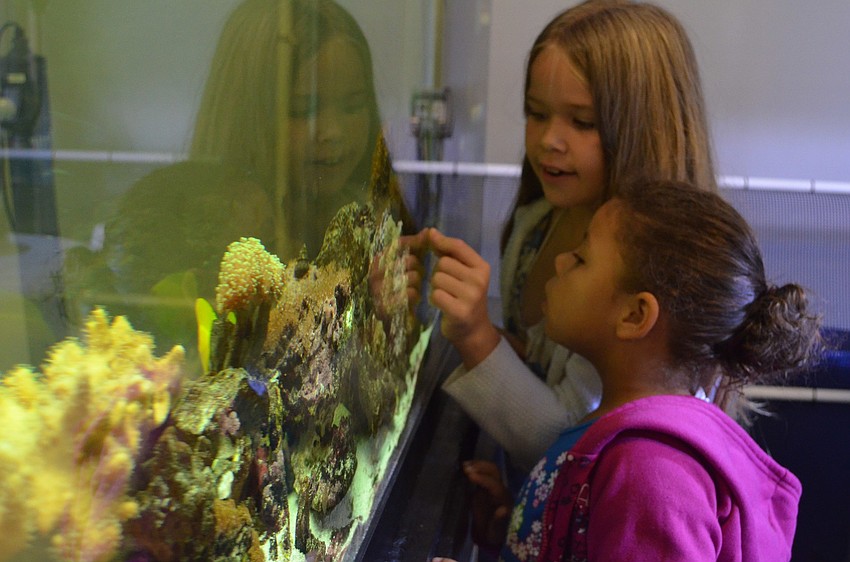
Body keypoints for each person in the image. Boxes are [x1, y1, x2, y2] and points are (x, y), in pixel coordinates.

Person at [435, 179, 822, 562]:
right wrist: (521, 531)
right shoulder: (621, 431)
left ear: (635, 316)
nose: (560, 261)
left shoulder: (653, 475)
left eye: (581, 259)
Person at [427, 0, 719, 479]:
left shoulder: (636, 282)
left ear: (647, 129)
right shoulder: (535, 222)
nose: (549, 140)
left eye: (582, 122)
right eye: (536, 113)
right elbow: (538, 362)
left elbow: (573, 446)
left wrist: (476, 336)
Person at [63, 0, 421, 366]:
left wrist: (381, 317)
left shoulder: (369, 220)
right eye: (302, 109)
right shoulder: (210, 230)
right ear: (249, 113)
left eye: (354, 105)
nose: (333, 131)